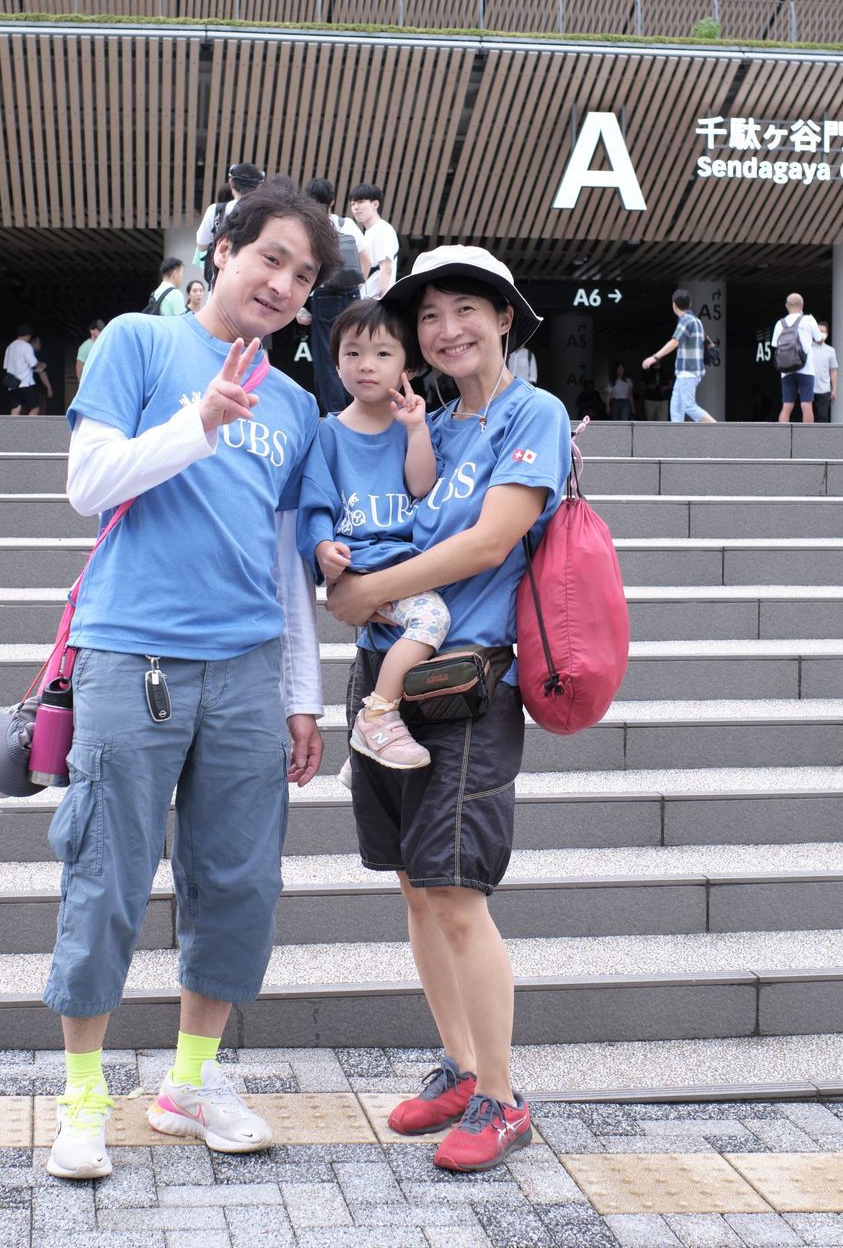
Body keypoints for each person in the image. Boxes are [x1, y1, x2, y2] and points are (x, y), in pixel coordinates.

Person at [39, 176, 332, 1183]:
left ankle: (190, 1083)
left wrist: (303, 695)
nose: (282, 283)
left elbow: (288, 563)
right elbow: (86, 485)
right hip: (133, 653)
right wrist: (197, 424)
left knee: (240, 881)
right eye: (270, 258)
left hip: (248, 668)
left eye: (303, 275)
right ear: (222, 253)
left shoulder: (296, 405)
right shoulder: (137, 342)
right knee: (105, 874)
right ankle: (83, 1098)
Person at [324, 245, 570, 1174]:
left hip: (469, 685)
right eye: (428, 315)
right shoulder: (422, 419)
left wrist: (372, 588)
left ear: (505, 318)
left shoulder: (531, 413)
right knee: (416, 888)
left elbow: (491, 541)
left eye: (466, 308)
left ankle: (504, 1098)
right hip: (386, 675)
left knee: (459, 894)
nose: (445, 328)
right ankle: (461, 1068)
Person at [298, 299, 444, 769]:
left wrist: (416, 430)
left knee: (412, 632)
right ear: (335, 362)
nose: (366, 365)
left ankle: (363, 754)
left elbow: (421, 486)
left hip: (403, 565)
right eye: (352, 353)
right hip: (360, 564)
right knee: (432, 621)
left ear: (408, 366)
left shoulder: (414, 427)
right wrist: (322, 548)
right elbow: (316, 503)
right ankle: (377, 716)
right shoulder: (327, 433)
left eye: (383, 354)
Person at [303, 179, 367, 417]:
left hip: (324, 297)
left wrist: (302, 306)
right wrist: (358, 285)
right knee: (354, 351)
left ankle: (336, 414)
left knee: (327, 359)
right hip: (352, 295)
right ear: (332, 200)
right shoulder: (346, 223)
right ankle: (358, 409)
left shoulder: (309, 227)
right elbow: (366, 258)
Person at [642, 288, 715, 423]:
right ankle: (677, 434)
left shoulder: (685, 320)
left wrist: (654, 357)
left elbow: (675, 342)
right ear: (690, 304)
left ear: (674, 305)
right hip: (689, 372)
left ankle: (719, 429)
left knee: (688, 406)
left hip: (688, 371)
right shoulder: (697, 321)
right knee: (676, 406)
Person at [195, 163, 263, 281]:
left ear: (231, 183)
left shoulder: (215, 210)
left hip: (220, 279)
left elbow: (202, 245)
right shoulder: (266, 215)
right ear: (259, 187)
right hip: (252, 280)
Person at [772, 294, 820, 424]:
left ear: (786, 306)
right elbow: (819, 338)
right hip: (806, 368)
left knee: (787, 406)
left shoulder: (780, 323)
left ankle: (783, 435)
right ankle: (807, 435)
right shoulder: (808, 320)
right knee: (806, 404)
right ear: (802, 305)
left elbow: (775, 345)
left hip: (786, 370)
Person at [348, 183, 399, 300]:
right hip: (367, 301)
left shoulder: (382, 229)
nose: (356, 207)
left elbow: (386, 268)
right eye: (353, 204)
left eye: (360, 202)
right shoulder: (369, 233)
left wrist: (380, 300)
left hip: (374, 302)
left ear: (375, 204)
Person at [807, 305, 838, 426]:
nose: (821, 333)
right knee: (808, 418)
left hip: (824, 389)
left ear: (827, 333)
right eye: (818, 331)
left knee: (823, 418)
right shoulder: (807, 347)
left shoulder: (830, 350)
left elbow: (833, 370)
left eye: (823, 331)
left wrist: (834, 389)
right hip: (808, 387)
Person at [3, 325, 40, 415]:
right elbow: (33, 364)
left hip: (13, 385)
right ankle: (29, 424)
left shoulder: (10, 347)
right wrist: (42, 365)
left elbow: (6, 367)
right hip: (26, 383)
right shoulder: (26, 346)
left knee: (16, 408)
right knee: (35, 408)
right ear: (27, 335)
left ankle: (12, 424)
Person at [75, 319, 103, 390]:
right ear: (92, 331)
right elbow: (79, 366)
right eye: (99, 329)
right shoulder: (85, 346)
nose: (101, 331)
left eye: (102, 329)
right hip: (90, 383)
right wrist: (81, 383)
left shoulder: (103, 345)